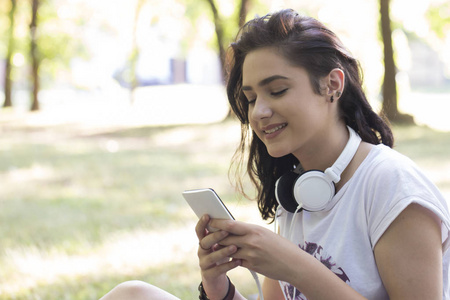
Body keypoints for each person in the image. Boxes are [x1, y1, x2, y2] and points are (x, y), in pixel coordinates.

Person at [101, 9, 450, 300]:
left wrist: (293, 264)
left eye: (277, 90)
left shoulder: (392, 186)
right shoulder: (298, 192)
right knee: (132, 294)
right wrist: (218, 287)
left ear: (332, 85)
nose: (259, 112)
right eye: (251, 98)